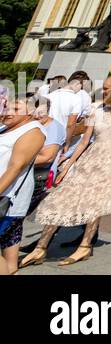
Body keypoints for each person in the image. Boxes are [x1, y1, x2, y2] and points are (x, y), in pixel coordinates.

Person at [22, 78, 111, 268]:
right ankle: (40, 247)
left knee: (96, 202)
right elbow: (85, 141)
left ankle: (85, 245)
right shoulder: (96, 110)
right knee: (62, 197)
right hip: (91, 157)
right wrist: (68, 164)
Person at [0, 98, 49, 274]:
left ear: (29, 112)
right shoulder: (6, 128)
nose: (7, 111)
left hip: (7, 199)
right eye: (6, 106)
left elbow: (16, 167)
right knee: (10, 260)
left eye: (15, 108)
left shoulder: (33, 132)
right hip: (6, 200)